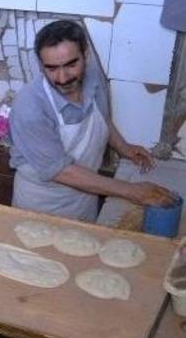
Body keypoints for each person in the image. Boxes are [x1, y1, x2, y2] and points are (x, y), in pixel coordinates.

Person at [9, 19, 177, 222]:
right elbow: (60, 171)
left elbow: (102, 118)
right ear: (40, 65)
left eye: (71, 64)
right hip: (42, 204)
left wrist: (124, 147)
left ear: (85, 55)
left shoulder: (93, 77)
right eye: (51, 68)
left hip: (85, 195)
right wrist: (133, 191)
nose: (63, 78)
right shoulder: (29, 106)